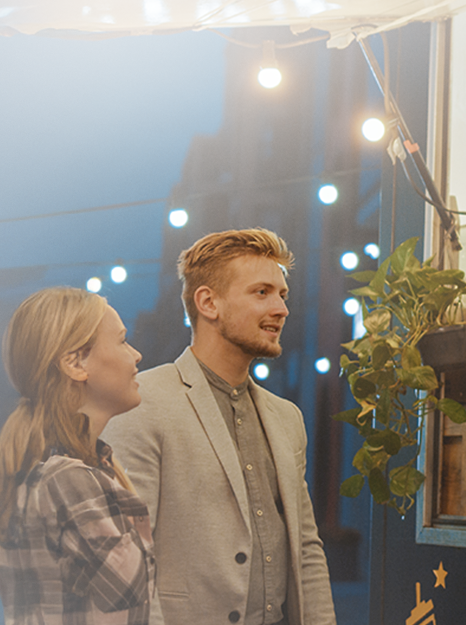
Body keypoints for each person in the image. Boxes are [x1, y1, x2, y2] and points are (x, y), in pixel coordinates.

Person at [102, 228, 336, 625]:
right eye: (262, 292)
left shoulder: (287, 417)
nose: (282, 309)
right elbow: (126, 561)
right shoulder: (141, 403)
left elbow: (306, 548)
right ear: (208, 302)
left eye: (282, 294)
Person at [0, 287, 155, 624]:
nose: (136, 354)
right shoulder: (68, 479)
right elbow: (127, 592)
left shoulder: (45, 468)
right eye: (122, 341)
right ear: (75, 363)